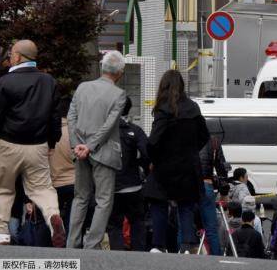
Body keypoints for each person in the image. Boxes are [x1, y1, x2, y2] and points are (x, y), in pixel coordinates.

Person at [0, 40, 65, 247]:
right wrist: (52, 142)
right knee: (42, 189)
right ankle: (53, 217)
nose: (9, 57)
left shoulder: (5, 82)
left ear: (18, 56)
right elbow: (55, 117)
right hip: (38, 145)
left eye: (11, 54)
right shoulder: (49, 82)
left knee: (4, 189)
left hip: (7, 143)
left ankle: (1, 233)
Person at [67, 50, 126, 249]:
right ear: (119, 73)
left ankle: (72, 242)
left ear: (102, 67)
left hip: (80, 151)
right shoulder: (119, 94)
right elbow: (109, 125)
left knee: (80, 197)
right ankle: (91, 245)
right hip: (104, 153)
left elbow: (71, 117)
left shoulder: (82, 87)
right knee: (103, 200)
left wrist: (78, 145)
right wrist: (90, 146)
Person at [145, 70, 210, 253]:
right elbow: (204, 135)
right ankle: (188, 245)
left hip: (164, 166)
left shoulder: (163, 109)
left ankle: (158, 245)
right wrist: (190, 151)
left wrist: (154, 159)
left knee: (158, 203)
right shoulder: (193, 108)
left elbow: (153, 141)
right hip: (188, 165)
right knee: (186, 205)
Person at [107, 97, 149, 251]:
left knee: (114, 225)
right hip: (133, 186)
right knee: (137, 221)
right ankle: (139, 256)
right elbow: (147, 154)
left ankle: (118, 259)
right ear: (129, 109)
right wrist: (142, 168)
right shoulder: (135, 130)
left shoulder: (105, 131)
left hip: (111, 186)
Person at [178, 136, 230, 255]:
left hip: (186, 185)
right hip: (206, 184)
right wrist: (224, 193)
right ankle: (216, 260)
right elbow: (221, 169)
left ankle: (181, 257)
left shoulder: (180, 137)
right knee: (211, 228)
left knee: (184, 226)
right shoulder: (213, 141)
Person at [48, 98, 76, 236]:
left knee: (49, 217)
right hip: (74, 183)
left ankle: (46, 247)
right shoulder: (76, 132)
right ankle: (70, 245)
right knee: (73, 219)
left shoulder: (49, 132)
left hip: (53, 183)